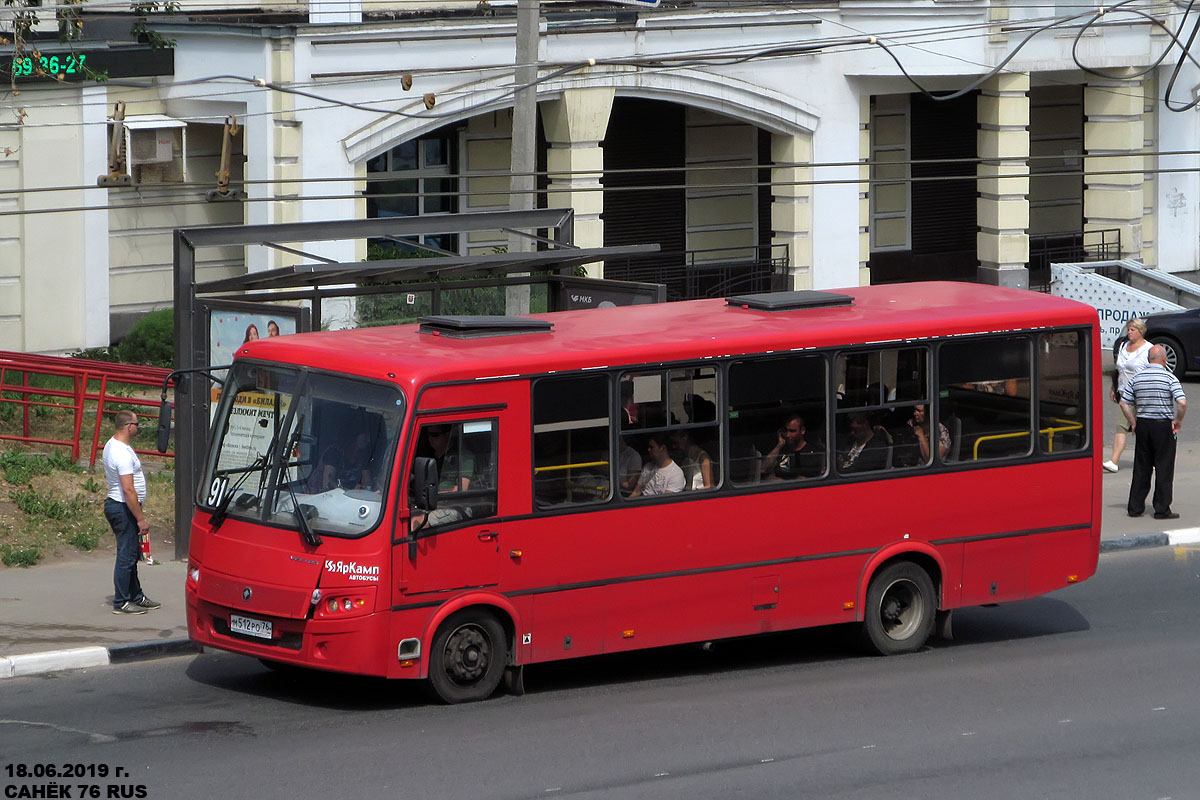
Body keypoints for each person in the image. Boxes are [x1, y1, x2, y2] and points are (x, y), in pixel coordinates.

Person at [102, 410, 161, 615]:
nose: (138, 427)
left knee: (132, 554)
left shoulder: (114, 445)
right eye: (137, 424)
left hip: (121, 506)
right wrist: (141, 519)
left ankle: (137, 596)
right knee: (126, 556)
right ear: (128, 426)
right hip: (123, 507)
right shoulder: (120, 453)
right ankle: (121, 602)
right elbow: (128, 489)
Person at [1120, 344, 1187, 519]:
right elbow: (1182, 402)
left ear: (1149, 359)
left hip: (1143, 424)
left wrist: (1133, 422)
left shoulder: (1137, 377)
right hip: (1163, 426)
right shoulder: (1169, 377)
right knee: (1164, 467)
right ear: (1164, 360)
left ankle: (1135, 507)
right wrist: (1178, 421)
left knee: (1142, 467)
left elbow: (1124, 403)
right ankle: (1162, 508)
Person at [1105, 318, 1151, 473]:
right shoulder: (1124, 346)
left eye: (1132, 330)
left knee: (1143, 429)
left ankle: (1149, 459)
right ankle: (1114, 461)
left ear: (1141, 331)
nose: (1129, 332)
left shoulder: (1149, 349)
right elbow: (1119, 369)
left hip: (1143, 395)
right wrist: (1114, 387)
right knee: (1121, 427)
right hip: (1125, 395)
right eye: (1128, 329)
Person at [761, 414, 823, 480]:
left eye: (792, 431)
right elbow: (763, 469)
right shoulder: (783, 452)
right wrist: (779, 445)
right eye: (786, 431)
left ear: (802, 430)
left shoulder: (813, 452)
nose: (788, 435)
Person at [630, 433, 685, 497]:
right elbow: (636, 492)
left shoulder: (676, 473)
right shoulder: (647, 467)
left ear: (662, 448)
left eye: (652, 447)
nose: (649, 450)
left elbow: (666, 501)